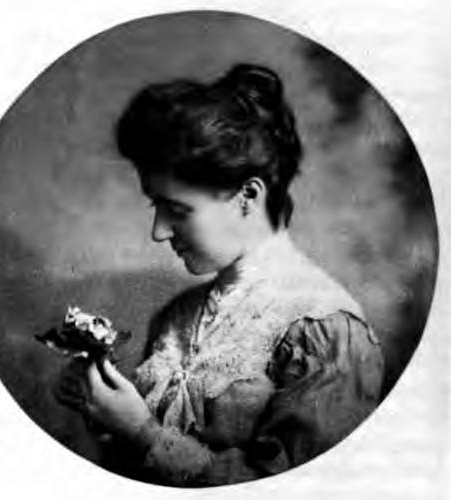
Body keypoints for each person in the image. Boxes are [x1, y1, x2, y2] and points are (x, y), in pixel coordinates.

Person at [54, 63, 385, 487]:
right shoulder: (175, 317)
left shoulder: (328, 332)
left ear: (248, 195)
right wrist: (101, 407)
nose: (158, 232)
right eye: (156, 207)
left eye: (177, 209)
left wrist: (141, 432)